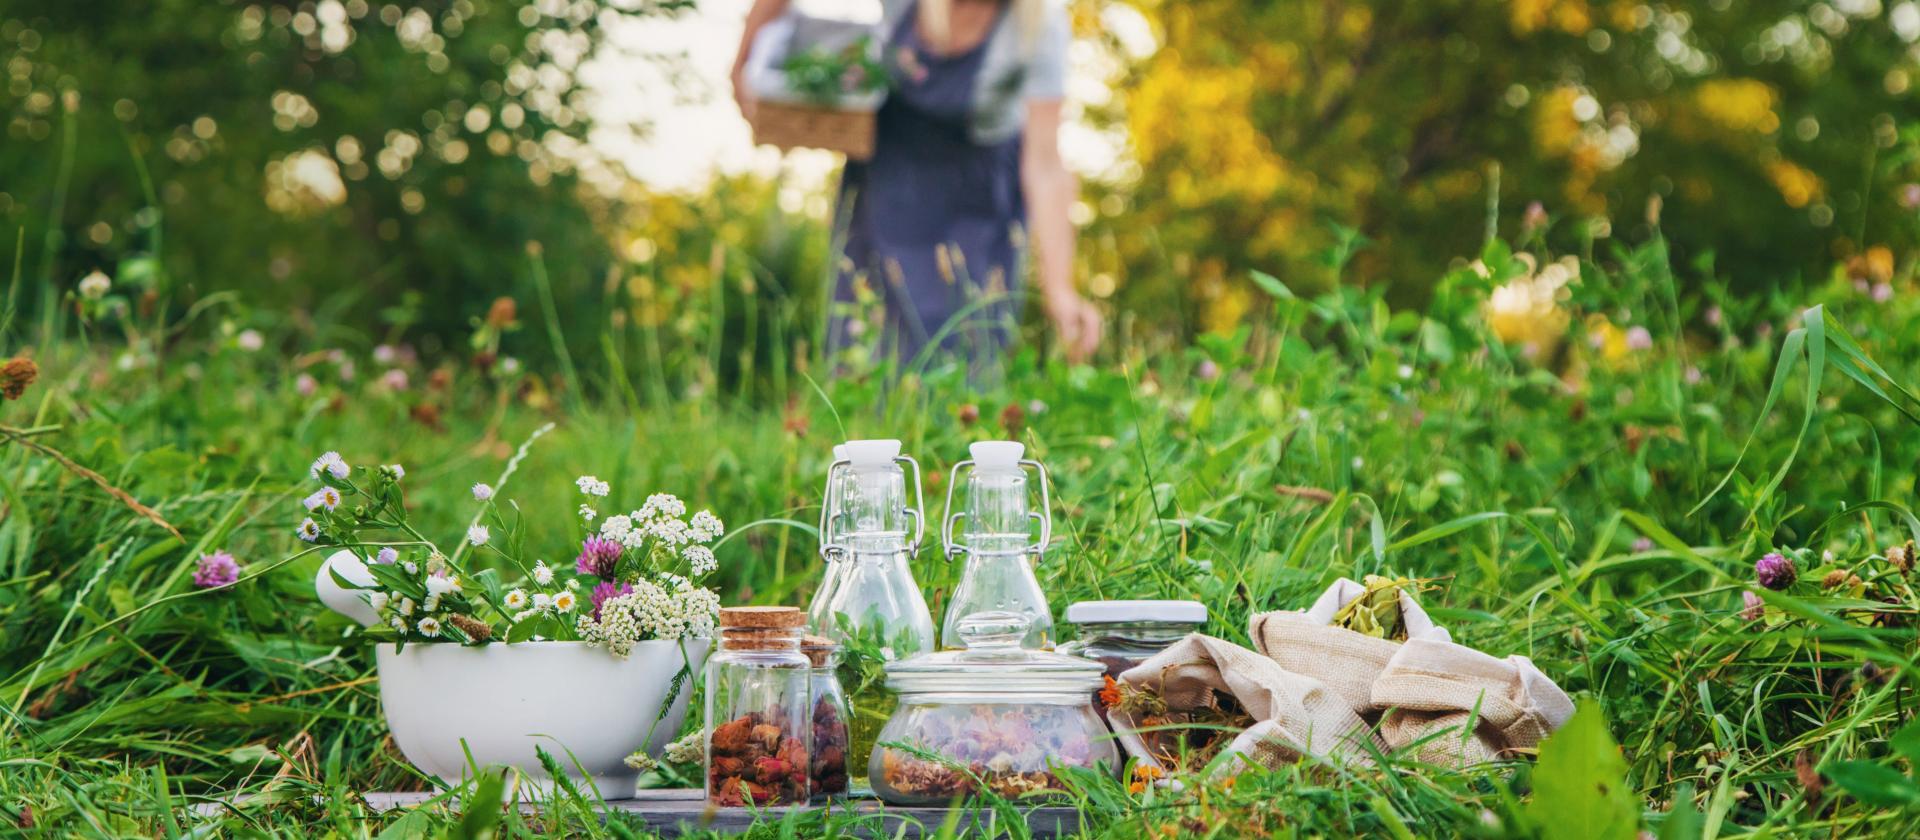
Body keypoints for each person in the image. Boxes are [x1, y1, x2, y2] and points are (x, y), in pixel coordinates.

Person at [732, 0, 1103, 368]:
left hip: (975, 209)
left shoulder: (1038, 27)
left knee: (961, 355)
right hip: (884, 194)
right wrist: (743, 64)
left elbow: (1045, 164)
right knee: (865, 350)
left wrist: (1060, 290)